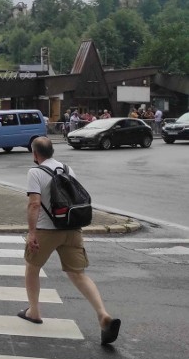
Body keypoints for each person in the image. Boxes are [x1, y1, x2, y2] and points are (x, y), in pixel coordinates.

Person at [20, 136, 121, 345]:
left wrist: (31, 233)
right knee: (78, 274)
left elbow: (34, 205)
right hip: (72, 229)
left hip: (46, 231)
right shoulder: (67, 169)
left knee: (32, 268)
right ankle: (102, 314)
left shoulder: (35, 172)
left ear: (35, 154)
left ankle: (34, 311)